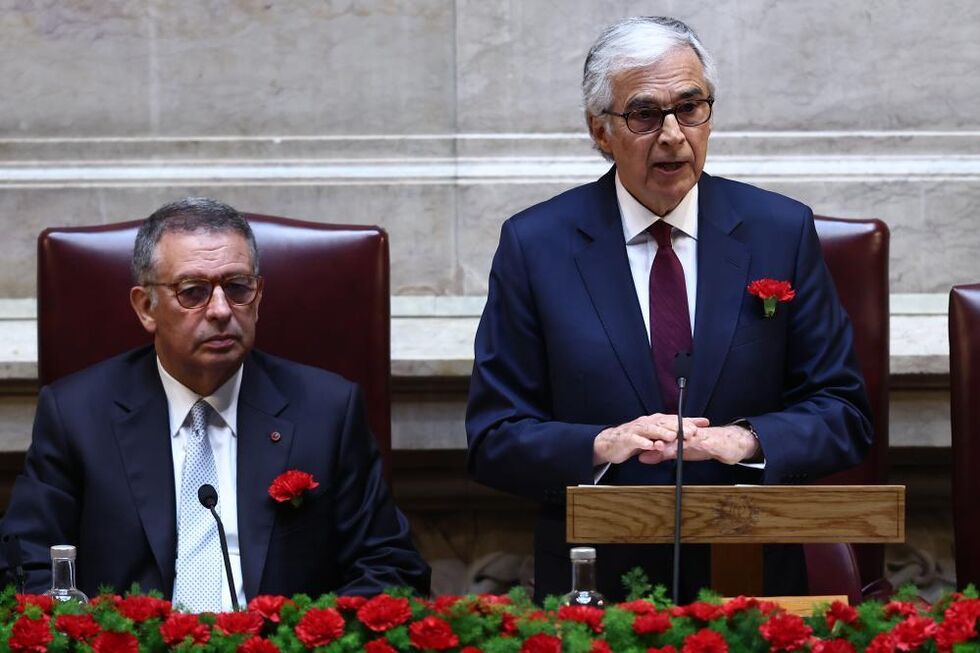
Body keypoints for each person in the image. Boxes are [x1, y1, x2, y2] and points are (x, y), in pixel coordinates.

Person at [466, 16, 873, 602]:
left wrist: (748, 439)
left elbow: (843, 413)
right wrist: (602, 444)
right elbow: (494, 438)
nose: (673, 134)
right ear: (600, 131)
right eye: (644, 114)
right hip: (596, 587)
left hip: (752, 579)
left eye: (690, 107)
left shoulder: (779, 232)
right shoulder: (537, 246)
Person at [0, 198, 429, 608]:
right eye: (193, 291)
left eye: (238, 287)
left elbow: (391, 568)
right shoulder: (76, 414)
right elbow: (26, 569)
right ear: (146, 307)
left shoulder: (328, 410)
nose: (221, 310)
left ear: (258, 298)